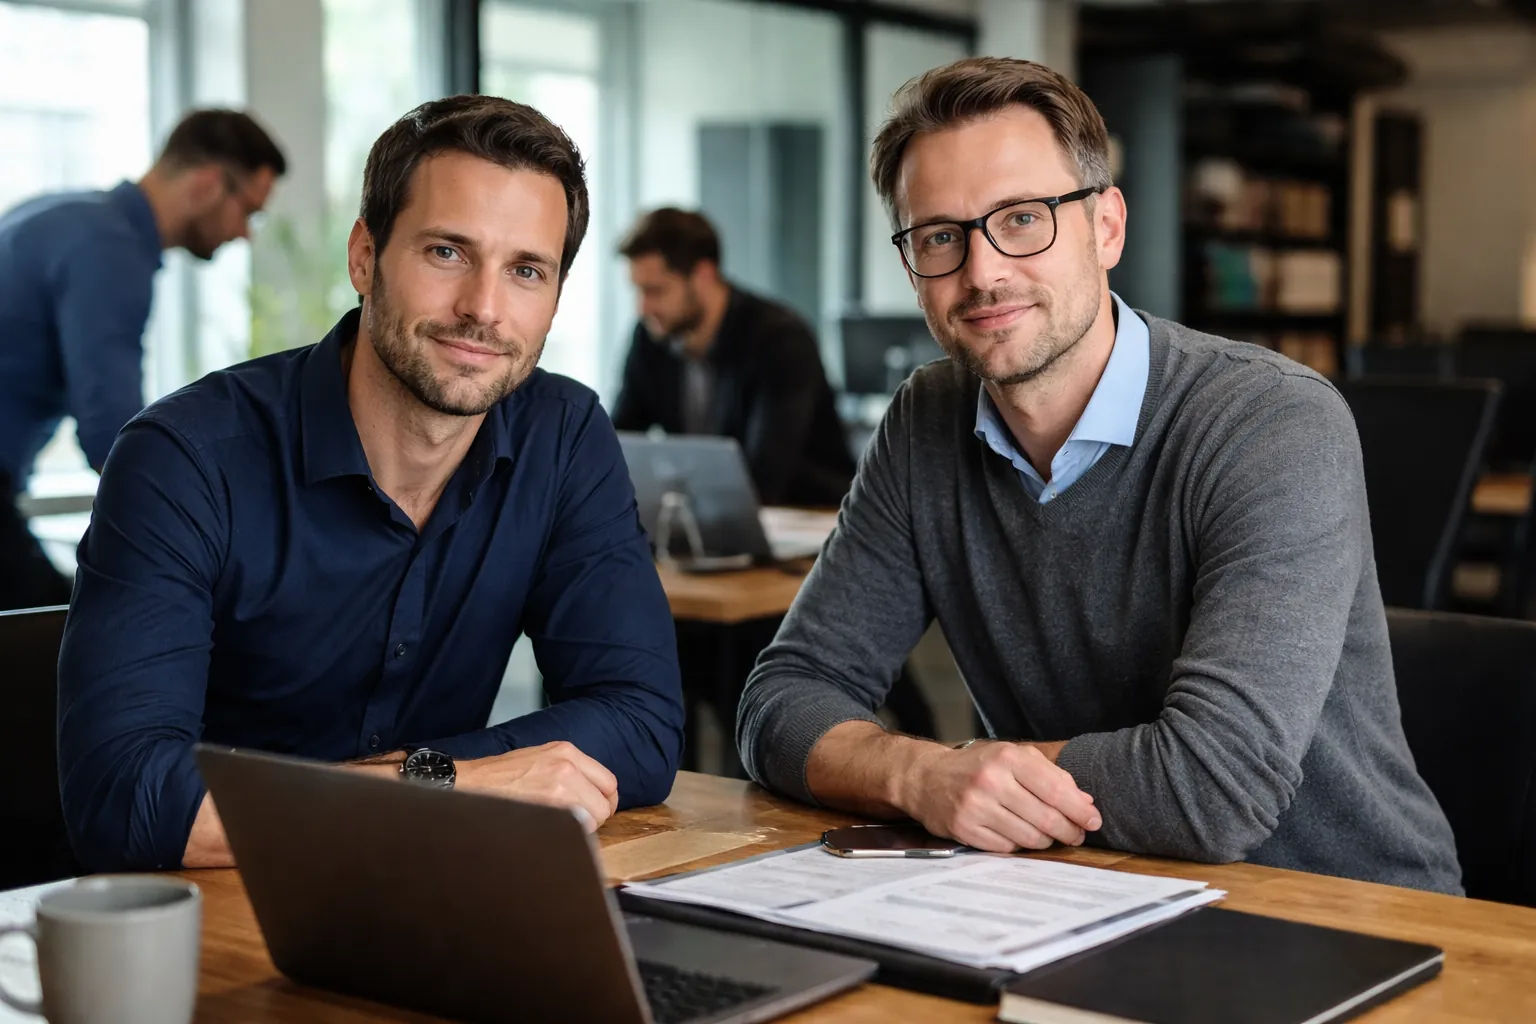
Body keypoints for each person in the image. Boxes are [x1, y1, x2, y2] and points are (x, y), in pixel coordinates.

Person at [735, 57, 1462, 894]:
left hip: (1348, 913)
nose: (982, 272)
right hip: (1077, 892)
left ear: (1106, 227)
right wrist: (922, 777)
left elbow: (1214, 787)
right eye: (940, 236)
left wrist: (972, 770)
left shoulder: (1271, 421)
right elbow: (782, 699)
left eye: (1022, 218)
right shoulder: (926, 421)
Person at [57, 95, 684, 873]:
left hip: (417, 900)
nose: (483, 309)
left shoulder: (563, 436)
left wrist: (399, 796)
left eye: (527, 270)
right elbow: (124, 802)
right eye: (447, 252)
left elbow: (642, 721)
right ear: (364, 256)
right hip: (210, 920)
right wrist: (449, 785)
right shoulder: (184, 459)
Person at [0, 109, 286, 611]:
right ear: (208, 183)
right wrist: (206, 526)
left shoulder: (65, 215)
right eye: (249, 211)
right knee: (58, 645)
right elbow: (108, 430)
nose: (245, 233)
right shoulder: (110, 250)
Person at [610, 208, 855, 508]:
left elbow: (764, 475)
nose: (643, 308)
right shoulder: (651, 338)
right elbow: (617, 446)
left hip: (808, 515)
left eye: (655, 291)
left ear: (703, 276)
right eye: (638, 291)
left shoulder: (779, 339)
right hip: (711, 521)